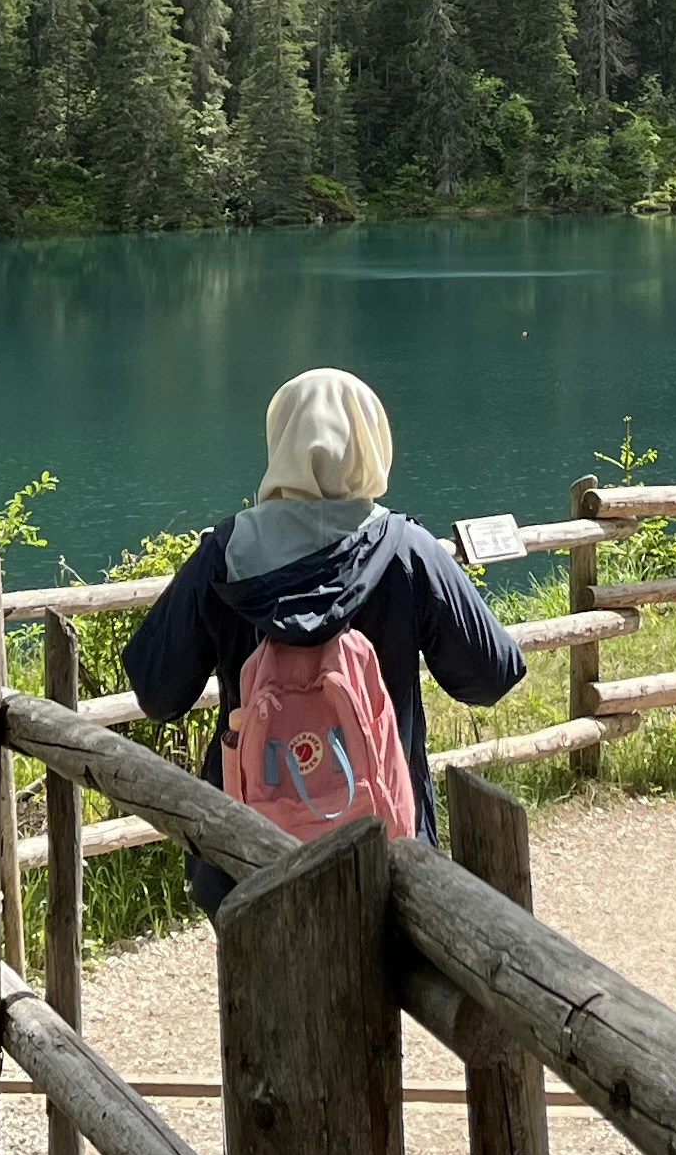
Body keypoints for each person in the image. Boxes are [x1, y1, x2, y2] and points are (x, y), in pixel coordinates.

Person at [122, 368, 526, 913]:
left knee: (255, 997)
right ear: (372, 442)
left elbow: (156, 690)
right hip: (384, 850)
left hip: (244, 861)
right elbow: (492, 676)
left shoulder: (224, 555)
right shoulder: (407, 550)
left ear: (279, 440)